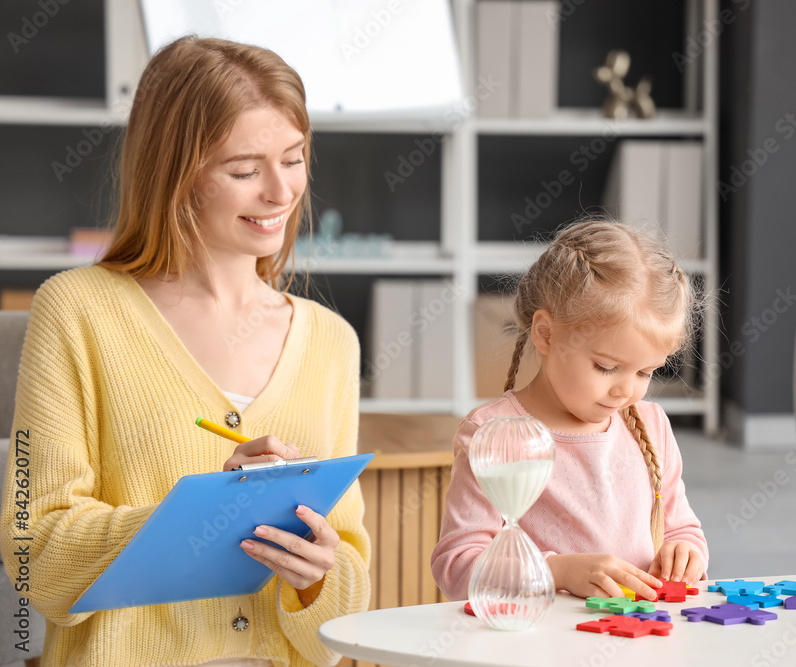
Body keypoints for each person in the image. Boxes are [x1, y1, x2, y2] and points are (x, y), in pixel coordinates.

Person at [0, 37, 369, 667]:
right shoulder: (77, 311)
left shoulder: (332, 341)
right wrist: (200, 515)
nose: (281, 193)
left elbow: (347, 598)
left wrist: (316, 579)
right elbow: (35, 555)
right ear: (175, 174)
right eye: (245, 170)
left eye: (294, 158)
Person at [431, 219, 708, 602]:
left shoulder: (651, 425)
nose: (627, 390)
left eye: (646, 372)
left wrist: (687, 553)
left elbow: (680, 530)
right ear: (546, 334)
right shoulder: (494, 433)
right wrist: (556, 571)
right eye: (606, 367)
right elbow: (458, 566)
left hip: (638, 637)